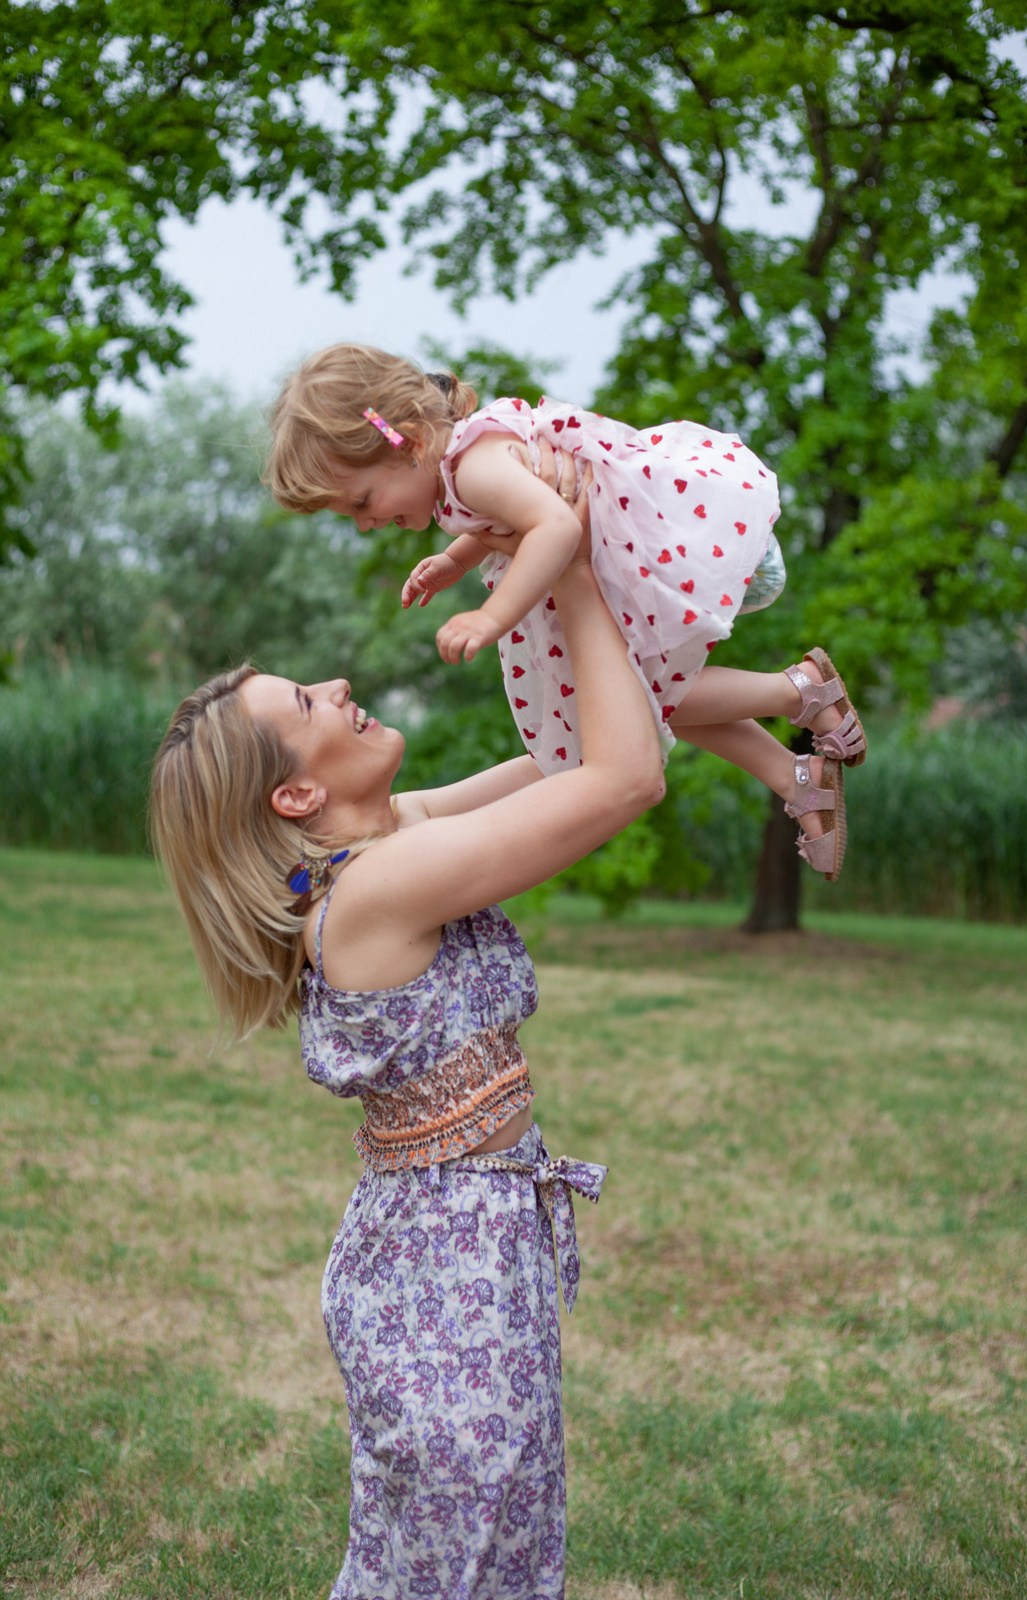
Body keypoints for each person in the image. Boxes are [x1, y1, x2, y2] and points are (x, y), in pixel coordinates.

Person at [150, 456, 665, 1599]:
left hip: (464, 1250)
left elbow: (584, 755)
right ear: (294, 795)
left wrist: (557, 552)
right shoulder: (379, 888)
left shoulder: (387, 843)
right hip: (445, 1274)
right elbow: (624, 781)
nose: (337, 683)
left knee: (482, 1555)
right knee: (460, 1562)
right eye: (306, 703)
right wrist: (567, 569)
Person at [264, 343, 867, 882]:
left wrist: (492, 616)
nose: (366, 523)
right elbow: (505, 514)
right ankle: (796, 774)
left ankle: (797, 691)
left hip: (656, 557)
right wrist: (452, 561)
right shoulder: (460, 468)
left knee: (626, 701)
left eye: (363, 501)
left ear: (410, 441)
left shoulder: (472, 467)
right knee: (632, 702)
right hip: (635, 564)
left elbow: (553, 526)